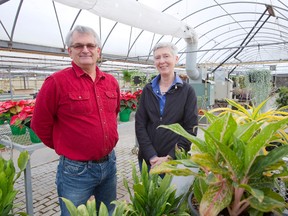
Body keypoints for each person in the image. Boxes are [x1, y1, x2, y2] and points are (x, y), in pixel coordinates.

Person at [31, 25, 120, 215]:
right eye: (78, 46)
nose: (85, 50)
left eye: (90, 45)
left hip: (109, 164)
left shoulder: (111, 82)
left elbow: (114, 114)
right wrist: (67, 147)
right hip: (75, 171)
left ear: (98, 51)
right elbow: (39, 124)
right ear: (69, 51)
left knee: (109, 212)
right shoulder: (56, 82)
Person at [135, 42, 198, 172]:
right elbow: (140, 124)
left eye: (166, 56)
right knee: (149, 193)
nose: (162, 61)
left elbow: (190, 129)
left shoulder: (187, 91)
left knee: (174, 192)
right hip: (148, 161)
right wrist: (151, 155)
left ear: (176, 59)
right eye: (157, 58)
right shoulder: (148, 89)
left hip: (175, 162)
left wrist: (171, 157)